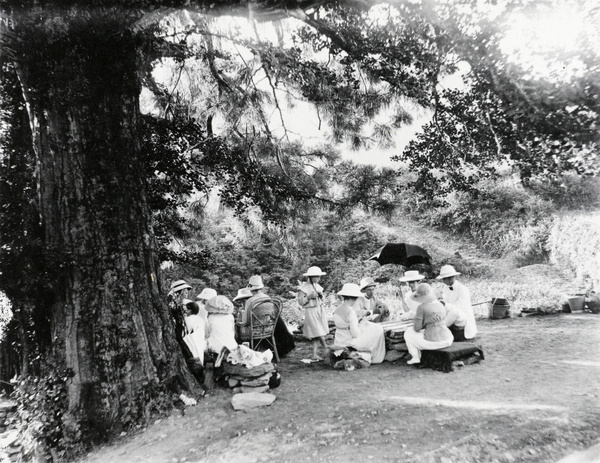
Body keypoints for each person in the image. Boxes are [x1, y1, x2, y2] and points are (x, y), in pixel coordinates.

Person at [239, 275, 296, 358]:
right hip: (269, 328)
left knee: (238, 327)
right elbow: (273, 316)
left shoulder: (250, 301)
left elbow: (245, 321)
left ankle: (245, 354)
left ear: (251, 289)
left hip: (254, 330)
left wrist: (238, 321)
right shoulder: (268, 298)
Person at [332, 283, 386, 364]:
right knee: (377, 330)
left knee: (370, 327)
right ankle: (375, 358)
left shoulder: (337, 310)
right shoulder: (351, 312)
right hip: (349, 342)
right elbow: (355, 334)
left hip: (339, 339)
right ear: (354, 298)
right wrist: (363, 322)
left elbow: (344, 325)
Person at [403, 283, 454, 365]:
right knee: (425, 331)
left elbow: (417, 328)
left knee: (408, 333)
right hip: (448, 339)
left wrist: (419, 321)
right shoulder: (440, 304)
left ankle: (415, 356)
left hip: (435, 342)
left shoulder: (421, 307)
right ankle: (418, 354)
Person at [297, 266, 329, 362]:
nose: (319, 279)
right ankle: (326, 348)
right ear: (311, 277)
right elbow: (300, 301)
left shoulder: (317, 286)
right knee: (318, 331)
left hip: (319, 309)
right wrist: (309, 297)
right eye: (317, 277)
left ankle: (314, 355)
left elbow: (322, 299)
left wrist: (321, 296)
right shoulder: (304, 288)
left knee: (317, 332)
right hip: (311, 311)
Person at [437, 265, 477, 340]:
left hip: (463, 319)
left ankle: (440, 329)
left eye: (444, 279)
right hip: (452, 317)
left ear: (451, 278)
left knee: (453, 313)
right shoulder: (445, 288)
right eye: (443, 279)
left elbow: (458, 308)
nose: (444, 281)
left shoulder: (463, 289)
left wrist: (444, 305)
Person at [167, 279, 193, 357]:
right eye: (185, 291)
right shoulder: (171, 300)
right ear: (180, 291)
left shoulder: (178, 300)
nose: (187, 293)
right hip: (175, 328)